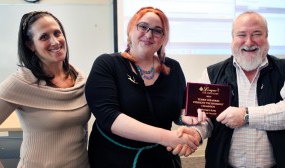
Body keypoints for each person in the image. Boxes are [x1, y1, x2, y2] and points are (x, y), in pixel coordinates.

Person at [85, 7, 205, 168]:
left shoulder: (173, 68)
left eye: (157, 31)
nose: (149, 35)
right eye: (143, 26)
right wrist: (167, 137)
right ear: (130, 29)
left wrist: (184, 117)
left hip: (160, 160)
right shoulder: (107, 64)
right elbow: (109, 117)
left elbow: (178, 108)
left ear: (163, 38)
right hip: (114, 159)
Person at [193, 11, 285, 168]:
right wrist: (196, 133)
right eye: (241, 35)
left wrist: (246, 115)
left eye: (256, 34)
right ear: (233, 38)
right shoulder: (212, 73)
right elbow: (206, 118)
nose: (249, 42)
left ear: (266, 36)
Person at [0, 11, 91, 167]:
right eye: (44, 37)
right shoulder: (21, 82)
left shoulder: (80, 77)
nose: (55, 42)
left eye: (57, 33)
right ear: (30, 45)